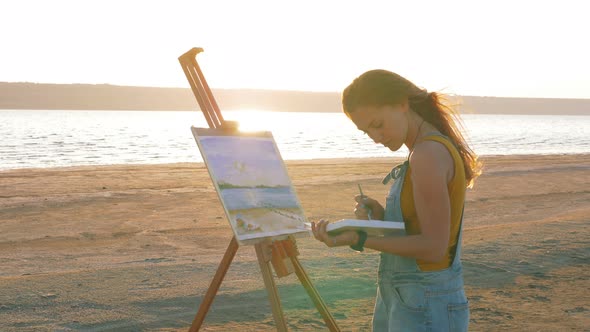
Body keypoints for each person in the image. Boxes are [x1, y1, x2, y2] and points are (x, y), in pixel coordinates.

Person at [311, 69, 481, 331]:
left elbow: (434, 247)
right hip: (414, 298)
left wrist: (360, 239)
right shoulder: (425, 149)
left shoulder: (427, 154)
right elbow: (420, 232)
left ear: (402, 104)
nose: (376, 138)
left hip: (425, 302)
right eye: (366, 131)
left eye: (377, 124)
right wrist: (380, 218)